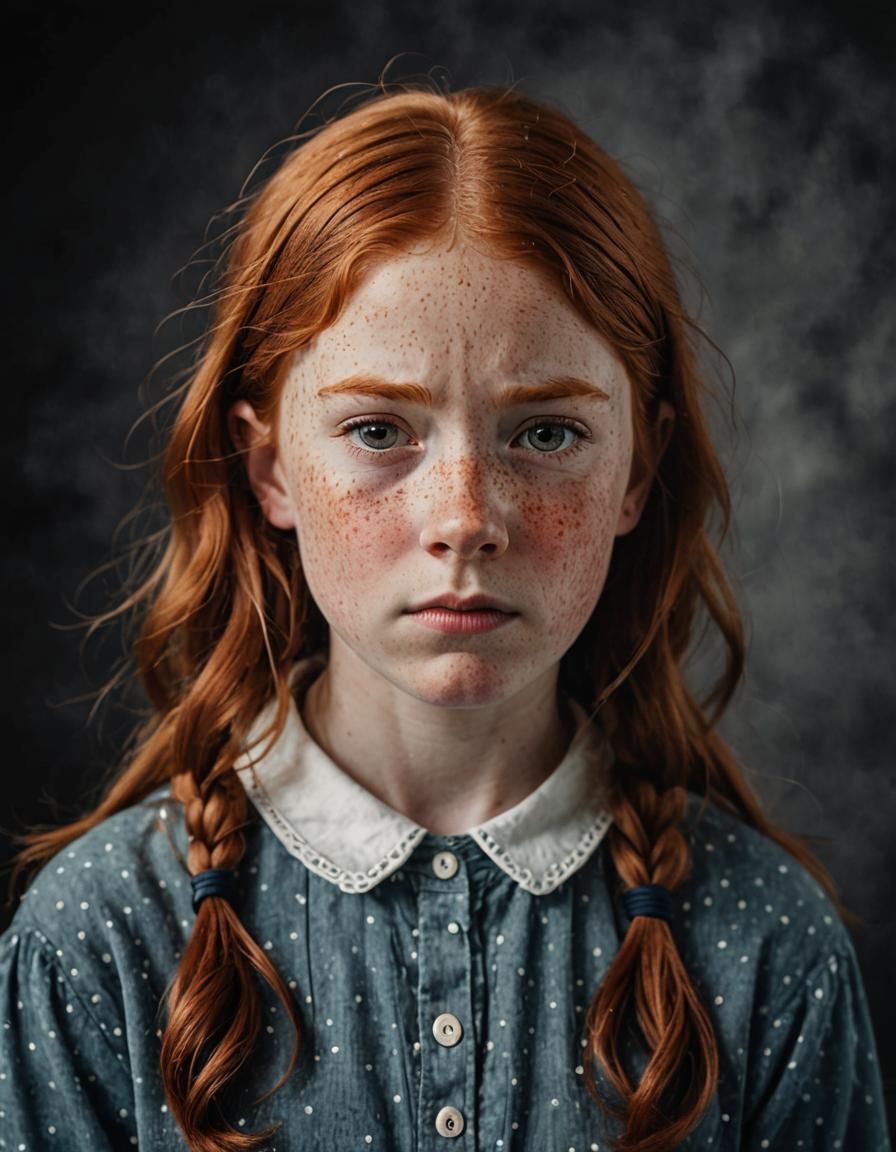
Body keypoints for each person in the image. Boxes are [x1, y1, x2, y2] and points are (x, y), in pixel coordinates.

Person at [0, 77, 890, 1152]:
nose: (463, 518)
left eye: (546, 435)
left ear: (637, 472)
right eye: (378, 431)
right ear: (269, 468)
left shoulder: (762, 942)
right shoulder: (99, 936)